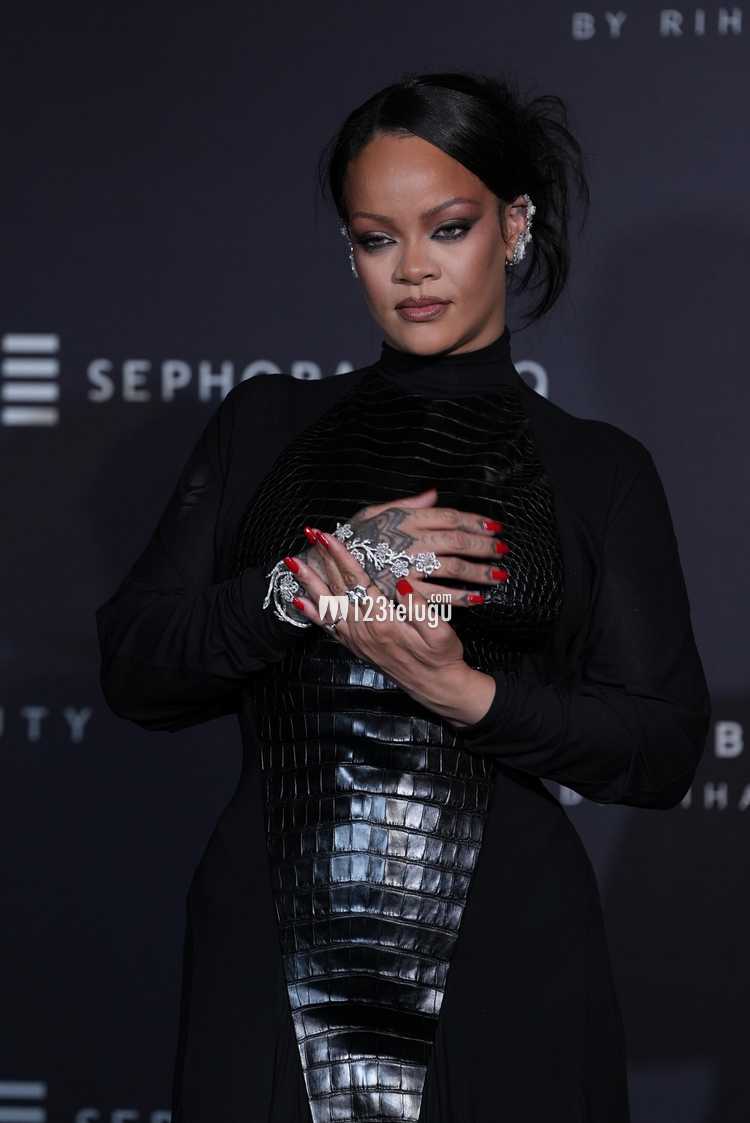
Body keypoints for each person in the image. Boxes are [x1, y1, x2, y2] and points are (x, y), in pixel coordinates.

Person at [95, 71, 711, 1123]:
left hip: (505, 959)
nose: (413, 268)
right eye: (376, 238)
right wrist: (308, 580)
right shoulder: (264, 424)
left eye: (448, 228)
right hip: (268, 951)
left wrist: (466, 692)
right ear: (351, 250)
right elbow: (136, 665)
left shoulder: (598, 469)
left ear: (513, 225)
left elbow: (662, 748)